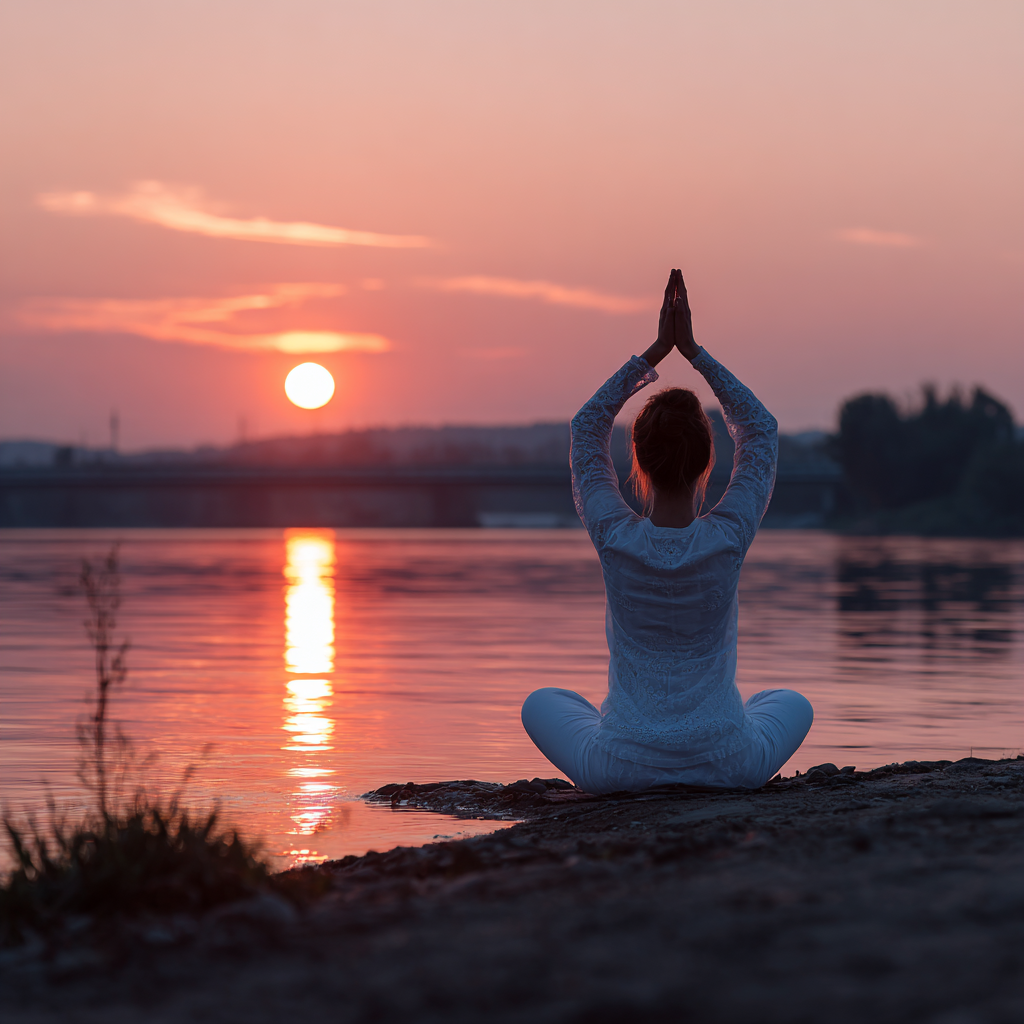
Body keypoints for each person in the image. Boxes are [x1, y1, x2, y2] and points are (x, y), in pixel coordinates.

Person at [521, 269, 812, 794]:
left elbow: (587, 427)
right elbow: (761, 431)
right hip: (728, 764)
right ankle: (714, 728)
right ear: (707, 461)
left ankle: (644, 734)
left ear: (638, 458)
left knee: (542, 701)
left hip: (619, 769)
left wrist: (655, 352)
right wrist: (694, 352)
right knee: (791, 702)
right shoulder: (728, 536)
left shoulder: (615, 536)